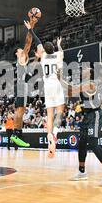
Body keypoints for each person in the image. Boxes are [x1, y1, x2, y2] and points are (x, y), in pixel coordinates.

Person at [64, 68, 102, 186]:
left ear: (90, 74)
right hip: (87, 115)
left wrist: (59, 78)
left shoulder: (91, 83)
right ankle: (82, 171)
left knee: (93, 143)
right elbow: (69, 92)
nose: (83, 70)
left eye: (86, 70)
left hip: (95, 114)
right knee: (82, 143)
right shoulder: (83, 84)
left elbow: (72, 89)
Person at [27, 20, 65, 158]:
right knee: (59, 112)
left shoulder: (42, 57)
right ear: (53, 49)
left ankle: (49, 134)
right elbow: (60, 53)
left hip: (46, 86)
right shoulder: (58, 55)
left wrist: (30, 29)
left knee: (49, 114)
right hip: (56, 84)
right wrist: (59, 45)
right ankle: (54, 134)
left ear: (44, 50)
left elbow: (37, 41)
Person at [11, 17, 39, 148]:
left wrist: (37, 59)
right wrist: (31, 27)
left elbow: (30, 71)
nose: (22, 50)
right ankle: (16, 134)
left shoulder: (23, 62)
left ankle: (17, 133)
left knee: (20, 110)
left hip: (22, 85)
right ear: (17, 54)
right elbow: (28, 43)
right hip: (22, 86)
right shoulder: (21, 57)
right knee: (20, 111)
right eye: (20, 50)